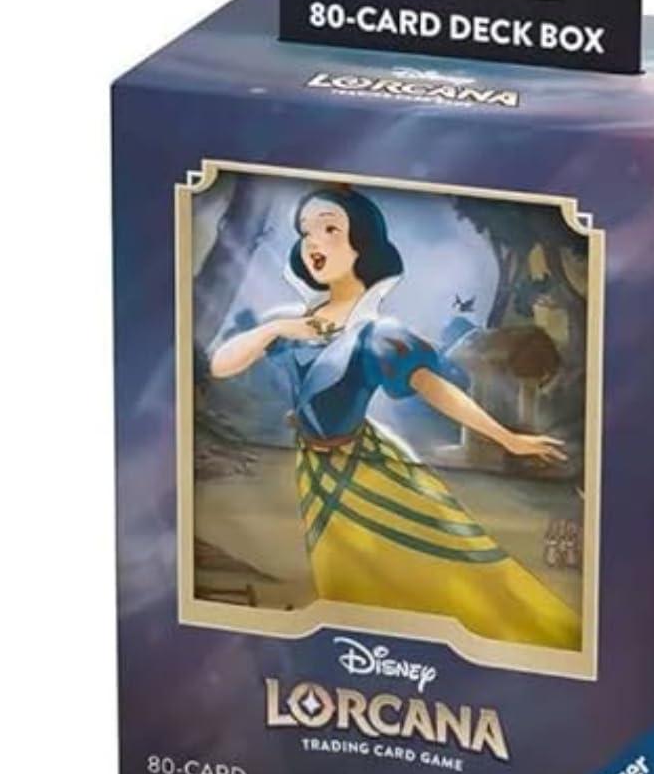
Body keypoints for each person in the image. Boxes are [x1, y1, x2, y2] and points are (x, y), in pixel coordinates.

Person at [210, 186, 581, 650]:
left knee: (430, 556)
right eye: (306, 231)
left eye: (330, 229)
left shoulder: (379, 334)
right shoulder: (291, 322)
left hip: (366, 469)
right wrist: (276, 328)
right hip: (314, 471)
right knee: (338, 568)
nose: (313, 241)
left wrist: (507, 437)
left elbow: (434, 387)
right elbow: (221, 365)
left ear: (363, 245)